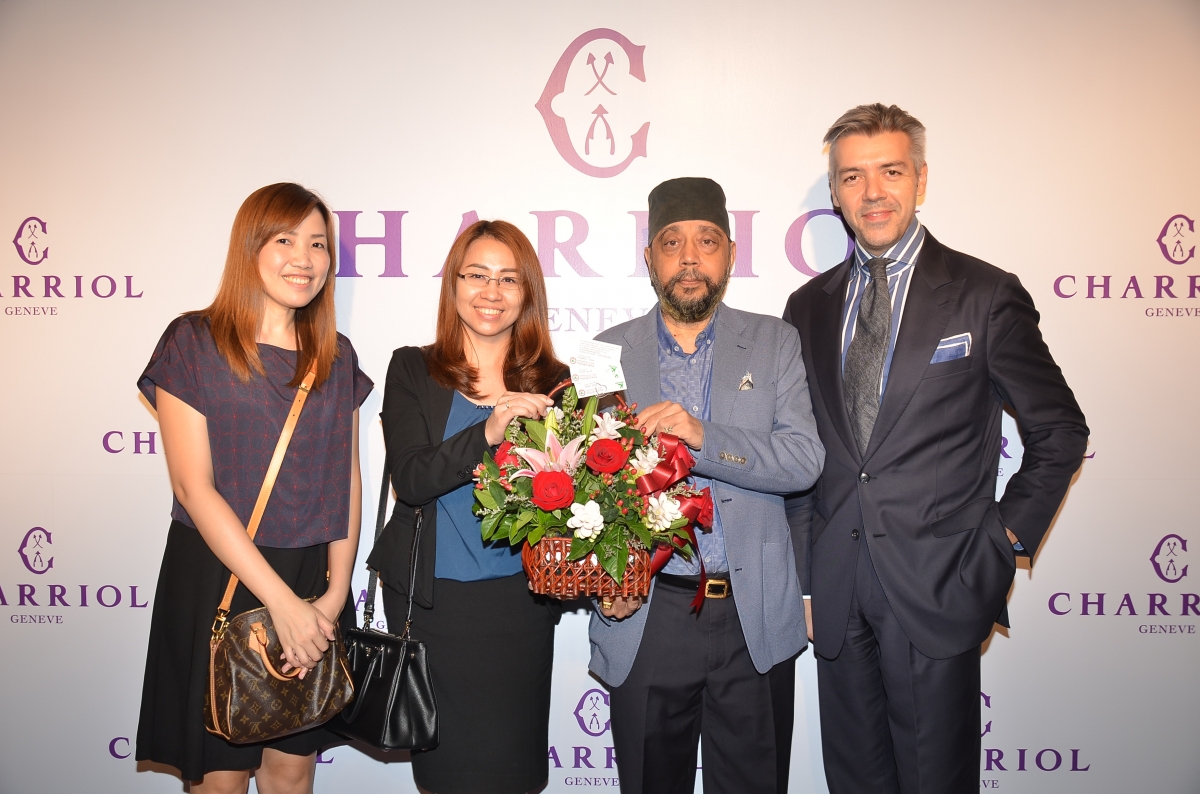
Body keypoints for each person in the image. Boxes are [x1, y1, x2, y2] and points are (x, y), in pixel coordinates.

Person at [782, 103, 1089, 793]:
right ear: (835, 192)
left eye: (890, 172)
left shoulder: (984, 295)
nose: (872, 192)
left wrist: (1003, 540)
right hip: (836, 587)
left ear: (921, 179)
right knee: (854, 780)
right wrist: (804, 577)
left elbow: (1060, 430)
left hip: (941, 581)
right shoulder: (807, 307)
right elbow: (804, 453)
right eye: (852, 177)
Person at [589, 177, 825, 794]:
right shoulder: (603, 353)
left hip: (754, 616)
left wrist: (701, 436)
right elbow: (583, 488)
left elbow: (804, 460)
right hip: (647, 613)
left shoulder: (775, 342)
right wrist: (604, 585)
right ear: (649, 257)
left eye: (707, 241)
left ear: (731, 254)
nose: (689, 258)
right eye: (672, 243)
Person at [135, 183, 372, 793]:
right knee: (220, 779)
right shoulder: (194, 342)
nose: (304, 258)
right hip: (220, 573)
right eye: (285, 240)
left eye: (318, 244)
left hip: (311, 579)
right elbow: (193, 488)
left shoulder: (336, 356)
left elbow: (345, 479)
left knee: (292, 774)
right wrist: (281, 605)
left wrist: (333, 595)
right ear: (251, 248)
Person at [366, 220, 565, 794]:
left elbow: (574, 496)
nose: (491, 291)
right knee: (447, 774)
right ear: (453, 284)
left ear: (527, 292)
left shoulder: (554, 382)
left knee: (514, 773)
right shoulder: (414, 368)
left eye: (508, 279)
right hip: (434, 609)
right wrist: (489, 430)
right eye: (476, 275)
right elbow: (411, 479)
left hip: (521, 605)